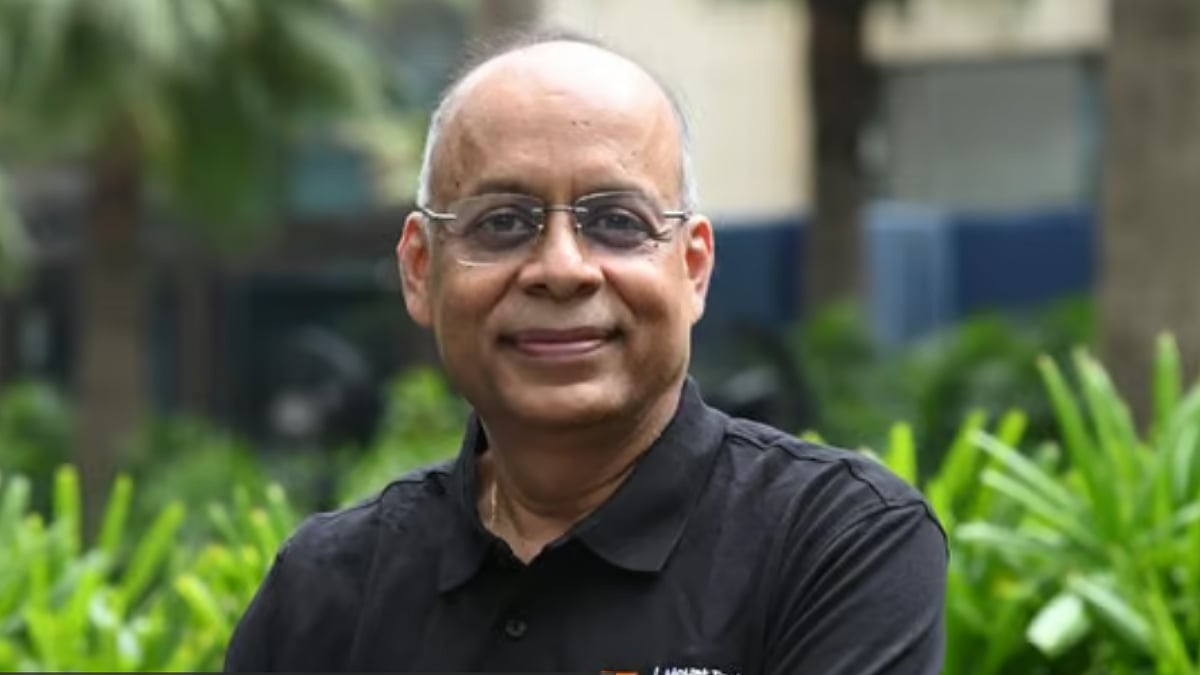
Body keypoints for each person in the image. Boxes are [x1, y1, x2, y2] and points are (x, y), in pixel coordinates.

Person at [225, 28, 947, 674]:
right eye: (503, 222)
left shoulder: (835, 545)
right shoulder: (326, 591)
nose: (562, 268)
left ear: (693, 268)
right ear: (420, 269)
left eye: (617, 222)